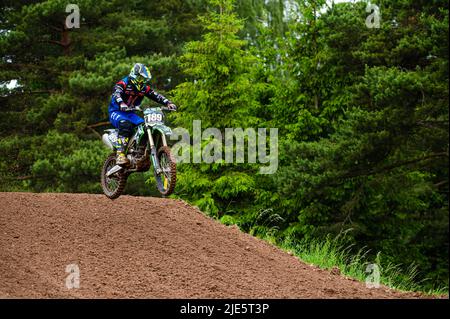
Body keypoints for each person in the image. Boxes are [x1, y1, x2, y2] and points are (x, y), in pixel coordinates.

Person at [108, 63, 176, 165]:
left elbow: (155, 95)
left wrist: (168, 102)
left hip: (130, 113)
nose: (142, 81)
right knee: (125, 124)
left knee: (144, 127)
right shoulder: (123, 83)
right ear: (134, 74)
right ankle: (120, 154)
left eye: (144, 79)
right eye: (140, 78)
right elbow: (116, 93)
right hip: (116, 111)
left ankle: (139, 152)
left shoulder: (144, 88)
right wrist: (121, 103)